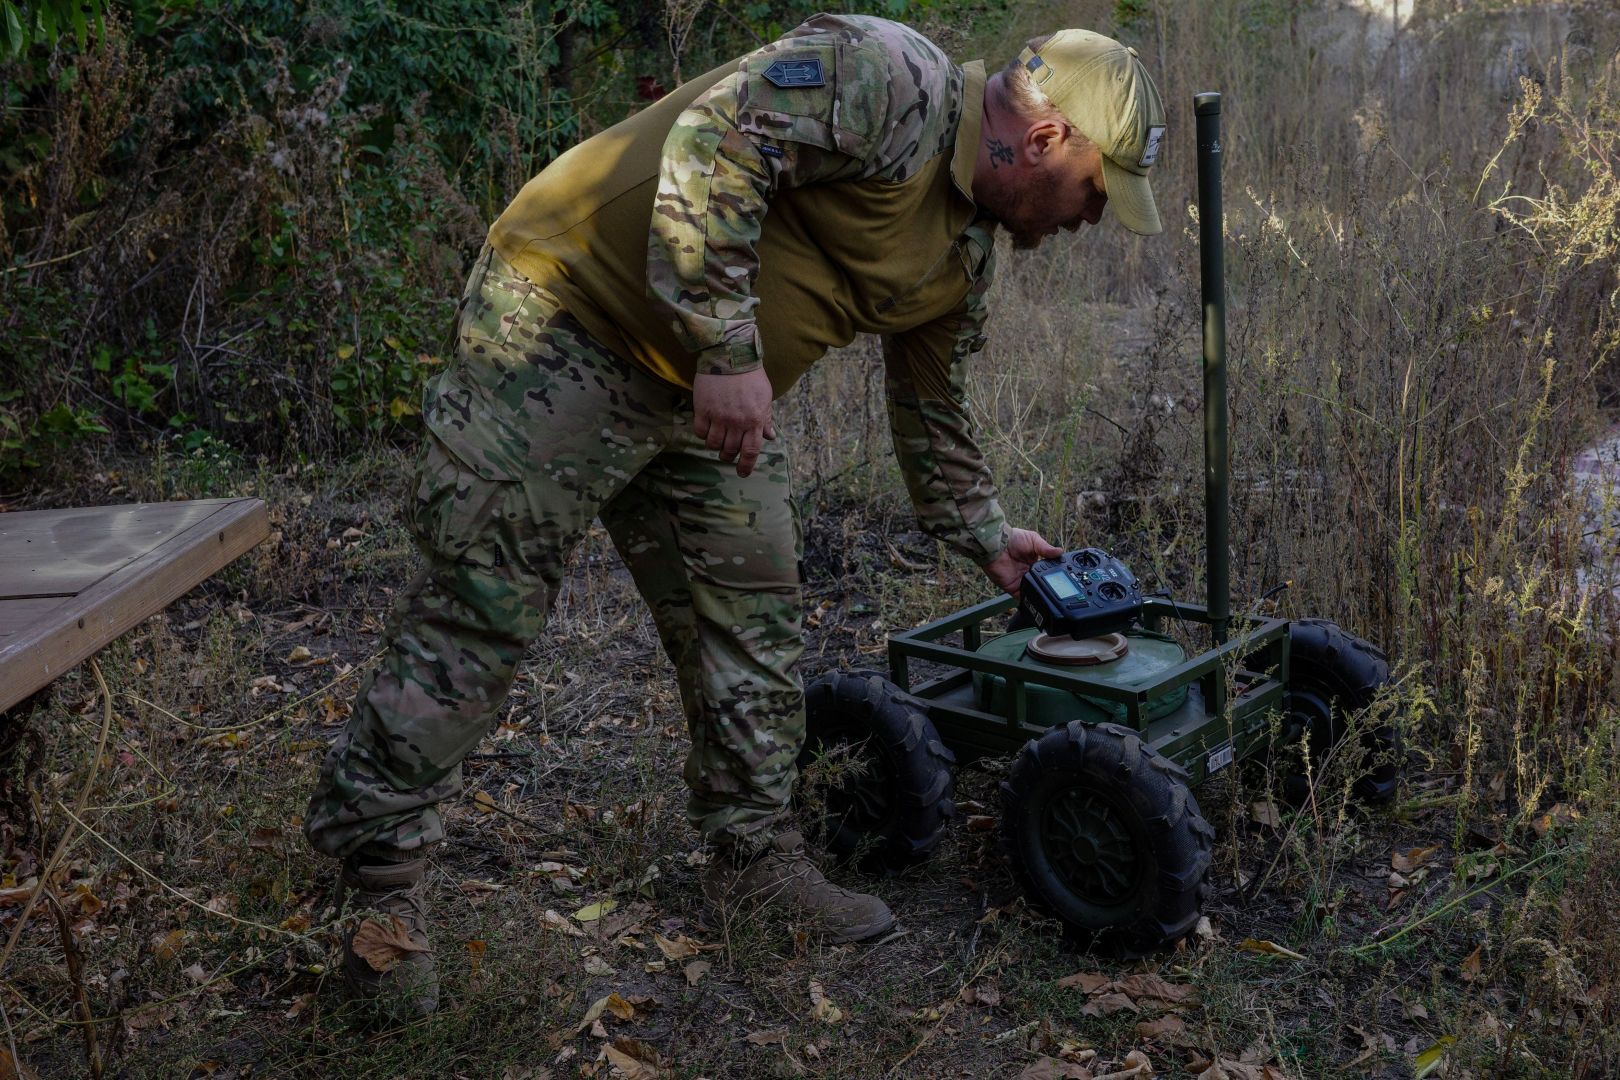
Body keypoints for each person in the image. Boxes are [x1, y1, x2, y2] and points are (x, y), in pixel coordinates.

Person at [303, 14, 1166, 1019]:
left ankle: (751, 860)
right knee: (481, 609)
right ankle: (375, 908)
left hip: (701, 397)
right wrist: (726, 350)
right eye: (1098, 195)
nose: (1088, 221)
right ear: (1051, 137)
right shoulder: (891, 82)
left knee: (752, 619)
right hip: (568, 320)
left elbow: (931, 405)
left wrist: (986, 534)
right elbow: (716, 140)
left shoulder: (962, 252)